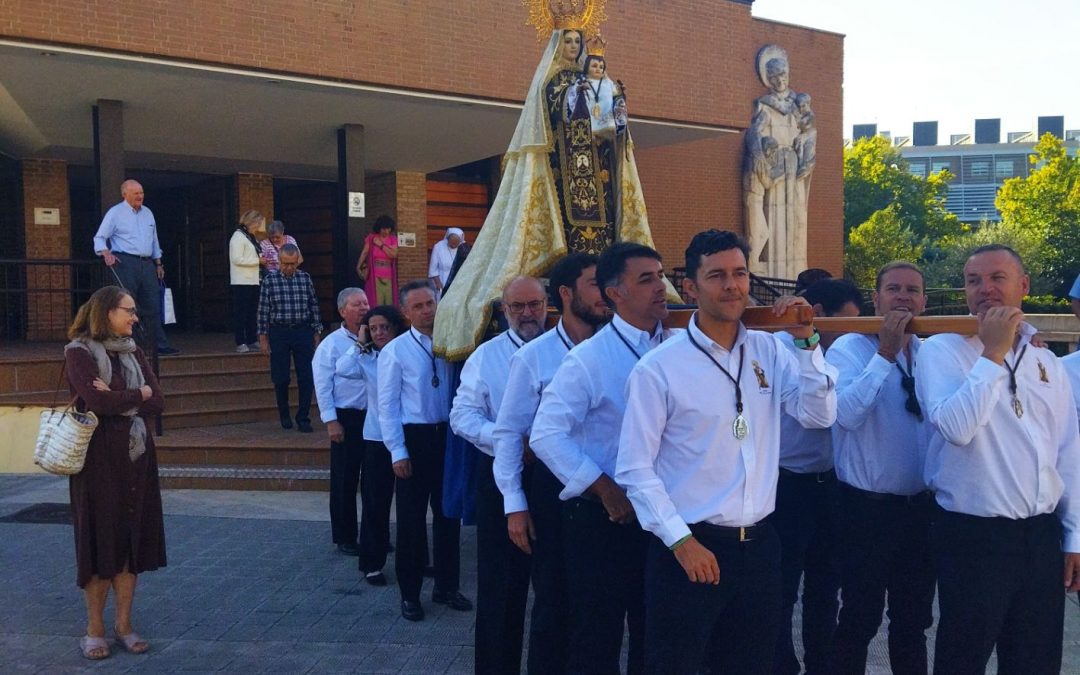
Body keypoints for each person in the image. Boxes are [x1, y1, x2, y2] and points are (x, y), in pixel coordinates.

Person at [614, 230, 835, 675]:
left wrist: (807, 343)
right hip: (689, 547)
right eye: (716, 276)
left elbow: (819, 415)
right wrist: (681, 542)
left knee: (751, 664)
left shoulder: (771, 350)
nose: (732, 285)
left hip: (758, 546)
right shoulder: (659, 368)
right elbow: (635, 469)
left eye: (739, 273)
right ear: (691, 288)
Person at [431, 25, 673, 361]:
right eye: (569, 42)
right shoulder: (553, 81)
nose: (575, 47)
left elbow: (613, 121)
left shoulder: (600, 79)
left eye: (578, 42)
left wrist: (616, 106)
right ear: (559, 47)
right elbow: (555, 113)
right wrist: (577, 95)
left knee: (603, 215)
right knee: (568, 216)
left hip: (596, 164)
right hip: (566, 166)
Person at [916, 244, 1080, 674]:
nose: (984, 289)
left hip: (1040, 537)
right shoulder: (942, 351)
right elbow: (956, 428)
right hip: (974, 538)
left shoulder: (1046, 361)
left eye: (996, 278)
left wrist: (1074, 535)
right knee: (963, 657)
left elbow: (1066, 452)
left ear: (1023, 286)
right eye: (974, 281)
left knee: (1036, 659)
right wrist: (991, 353)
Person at [530, 242, 674, 674]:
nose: (660, 287)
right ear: (614, 293)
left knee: (658, 630)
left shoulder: (681, 346)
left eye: (661, 275)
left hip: (666, 513)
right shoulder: (589, 358)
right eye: (645, 279)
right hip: (604, 518)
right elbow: (546, 434)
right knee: (597, 634)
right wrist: (604, 487)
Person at [493, 252, 606, 675]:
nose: (607, 293)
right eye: (596, 283)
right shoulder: (535, 356)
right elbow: (508, 432)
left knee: (601, 606)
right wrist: (514, 503)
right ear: (566, 293)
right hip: (554, 491)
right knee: (555, 603)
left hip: (610, 491)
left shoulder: (620, 345)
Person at [824, 262, 934, 675]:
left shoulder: (929, 353)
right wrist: (885, 353)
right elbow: (846, 414)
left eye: (912, 290)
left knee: (913, 622)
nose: (903, 297)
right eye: (894, 289)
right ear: (877, 298)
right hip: (865, 511)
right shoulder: (850, 348)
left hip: (919, 512)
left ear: (924, 300)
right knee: (859, 617)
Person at [450, 276, 548, 675]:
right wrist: (506, 438)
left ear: (548, 304)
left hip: (553, 482)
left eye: (534, 305)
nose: (527, 314)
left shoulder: (564, 351)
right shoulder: (486, 356)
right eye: (518, 307)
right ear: (503, 311)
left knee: (553, 589)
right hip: (501, 478)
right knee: (499, 591)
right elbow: (462, 414)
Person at [63, 285, 166, 660]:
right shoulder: (79, 353)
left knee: (130, 541)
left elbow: (159, 399)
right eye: (129, 310)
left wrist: (131, 395)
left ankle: (124, 625)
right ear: (107, 312)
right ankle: (94, 629)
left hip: (136, 459)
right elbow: (97, 401)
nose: (135, 317)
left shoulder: (134, 351)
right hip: (97, 460)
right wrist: (136, 395)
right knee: (99, 540)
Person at [771, 277, 862, 675]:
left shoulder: (846, 356)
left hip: (831, 485)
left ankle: (821, 664)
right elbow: (815, 416)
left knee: (826, 589)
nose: (856, 333)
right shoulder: (777, 349)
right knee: (781, 589)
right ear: (818, 315)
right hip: (785, 484)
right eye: (850, 323)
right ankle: (781, 665)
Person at [378, 280, 471, 621]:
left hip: (447, 435)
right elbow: (386, 407)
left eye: (430, 303)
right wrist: (397, 451)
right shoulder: (396, 351)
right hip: (414, 439)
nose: (427, 311)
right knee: (411, 521)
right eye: (418, 306)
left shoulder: (452, 343)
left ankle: (446, 586)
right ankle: (410, 593)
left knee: (448, 515)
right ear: (405, 312)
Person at [336, 305, 407, 585]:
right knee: (375, 502)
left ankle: (413, 558)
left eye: (384, 327)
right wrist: (360, 341)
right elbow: (342, 369)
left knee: (409, 505)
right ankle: (372, 563)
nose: (379, 332)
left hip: (406, 435)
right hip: (377, 438)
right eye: (373, 328)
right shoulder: (367, 358)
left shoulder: (405, 352)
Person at [313, 288, 370, 555]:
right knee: (345, 479)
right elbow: (323, 385)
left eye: (365, 303)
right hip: (345, 417)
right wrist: (331, 421)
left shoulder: (378, 337)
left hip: (372, 417)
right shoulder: (331, 344)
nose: (363, 308)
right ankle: (345, 536)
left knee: (373, 480)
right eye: (356, 304)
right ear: (342, 311)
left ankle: (374, 533)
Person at [92, 179, 179, 355]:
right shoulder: (115, 213)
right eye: (136, 193)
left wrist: (158, 263)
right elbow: (99, 237)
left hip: (147, 263)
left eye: (141, 193)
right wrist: (105, 252)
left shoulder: (148, 213)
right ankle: (127, 343)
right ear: (125, 194)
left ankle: (158, 344)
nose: (140, 196)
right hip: (125, 262)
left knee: (153, 303)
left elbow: (154, 240)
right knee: (126, 303)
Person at [256, 244, 322, 433]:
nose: (289, 267)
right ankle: (284, 414)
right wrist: (263, 337)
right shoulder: (270, 281)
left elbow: (313, 306)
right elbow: (263, 311)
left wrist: (316, 332)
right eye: (285, 263)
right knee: (281, 376)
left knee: (306, 376)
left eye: (292, 264)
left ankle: (303, 417)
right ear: (279, 260)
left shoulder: (305, 278)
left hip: (302, 330)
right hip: (279, 331)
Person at [228, 209, 265, 352]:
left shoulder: (250, 237)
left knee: (251, 311)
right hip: (242, 281)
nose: (259, 226)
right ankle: (240, 341)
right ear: (251, 221)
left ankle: (251, 338)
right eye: (257, 223)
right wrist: (258, 260)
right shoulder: (238, 237)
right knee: (241, 312)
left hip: (254, 280)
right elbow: (237, 259)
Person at [356, 215, 399, 306]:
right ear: (379, 228)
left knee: (389, 301)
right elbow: (365, 252)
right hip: (375, 274)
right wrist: (358, 266)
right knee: (376, 301)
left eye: (388, 229)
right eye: (383, 229)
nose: (386, 231)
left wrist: (380, 245)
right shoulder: (371, 238)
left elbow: (393, 255)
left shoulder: (392, 239)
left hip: (389, 275)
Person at [428, 227, 463, 296]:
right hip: (443, 281)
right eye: (451, 242)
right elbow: (433, 269)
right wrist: (438, 283)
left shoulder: (463, 248)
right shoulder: (438, 247)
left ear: (460, 241)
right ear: (447, 239)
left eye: (456, 243)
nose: (453, 245)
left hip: (459, 283)